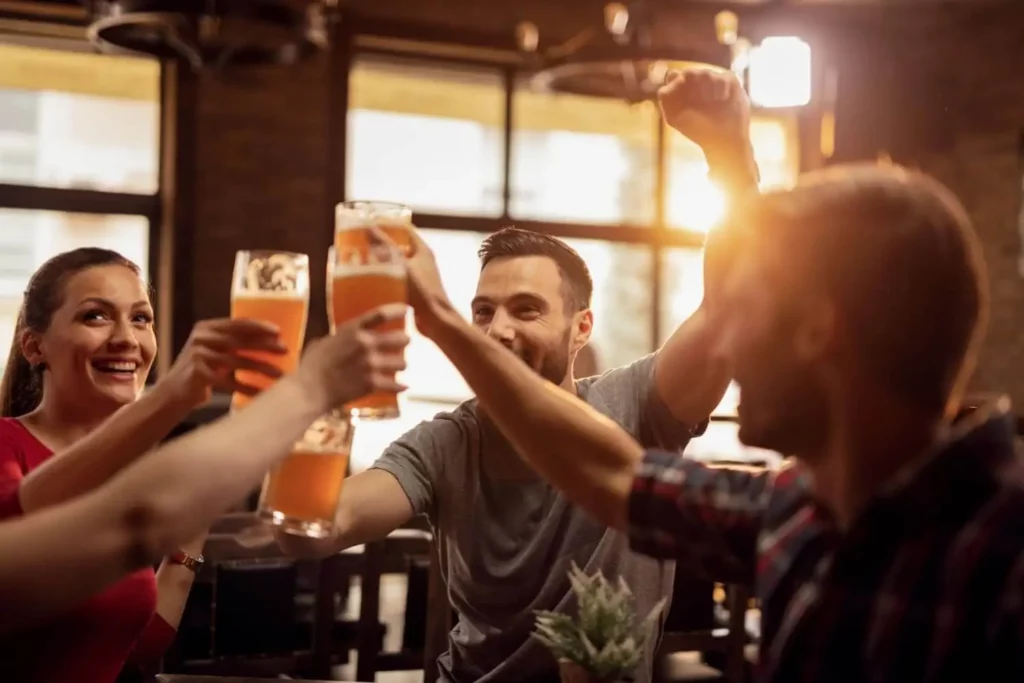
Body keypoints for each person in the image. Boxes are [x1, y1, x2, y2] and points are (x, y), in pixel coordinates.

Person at [403, 161, 1024, 682]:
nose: (722, 352)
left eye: (744, 315)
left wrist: (446, 322)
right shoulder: (796, 512)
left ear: (816, 330)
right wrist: (441, 322)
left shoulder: (1002, 554)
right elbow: (610, 473)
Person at [276, 68, 759, 683]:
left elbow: (726, 312)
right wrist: (315, 392)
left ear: (582, 328)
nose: (499, 329)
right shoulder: (448, 442)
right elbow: (313, 532)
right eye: (483, 311)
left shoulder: (637, 404)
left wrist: (730, 160)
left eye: (526, 310)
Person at [0, 247, 407, 683]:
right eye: (95, 317)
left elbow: (139, 646)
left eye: (140, 318)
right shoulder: (8, 443)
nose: (126, 338)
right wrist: (305, 389)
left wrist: (191, 531)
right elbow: (38, 524)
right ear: (33, 345)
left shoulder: (136, 470)